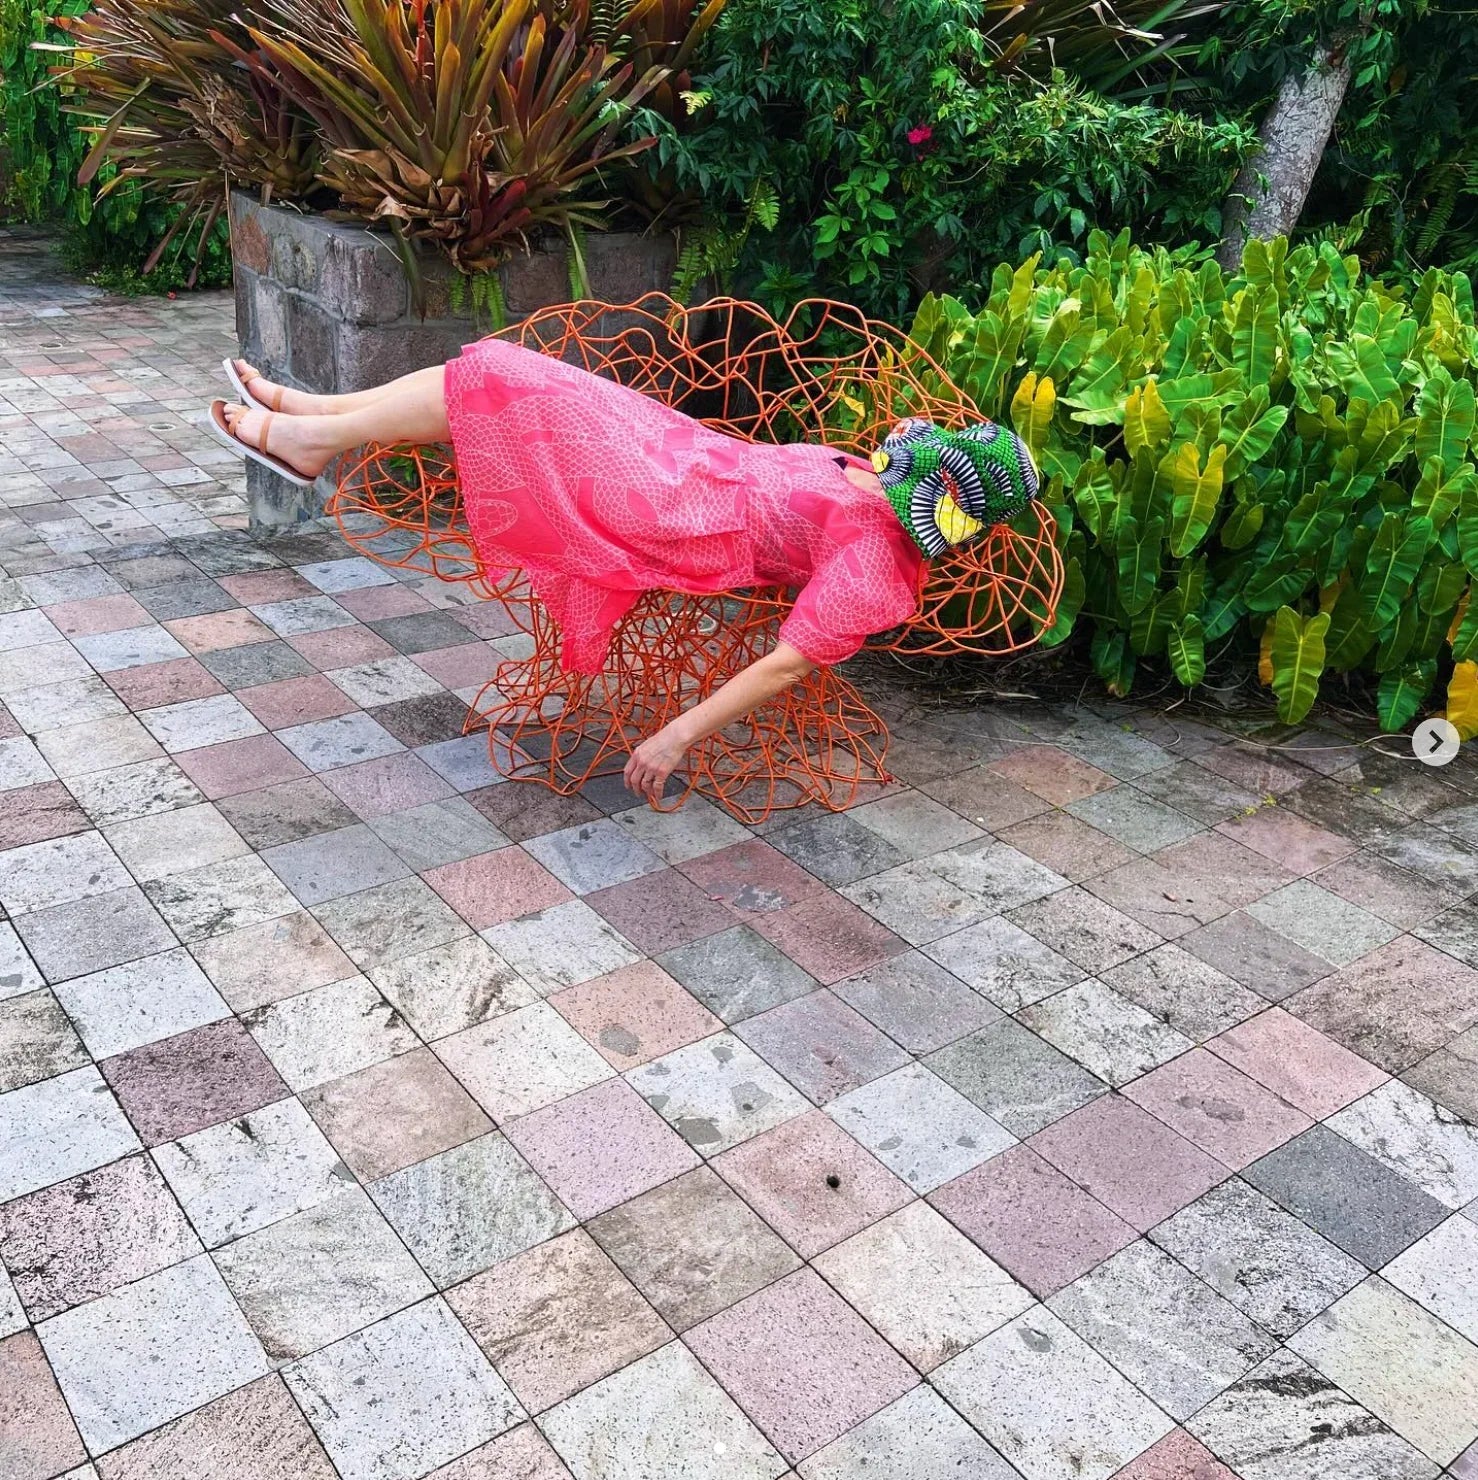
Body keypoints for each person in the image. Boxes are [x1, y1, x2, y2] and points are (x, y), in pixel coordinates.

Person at [208, 338, 1039, 800]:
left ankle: (311, 438)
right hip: (686, 453)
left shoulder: (875, 567)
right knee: (495, 363)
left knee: (504, 380)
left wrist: (678, 736)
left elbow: (788, 662)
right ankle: (314, 417)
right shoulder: (874, 479)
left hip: (673, 513)